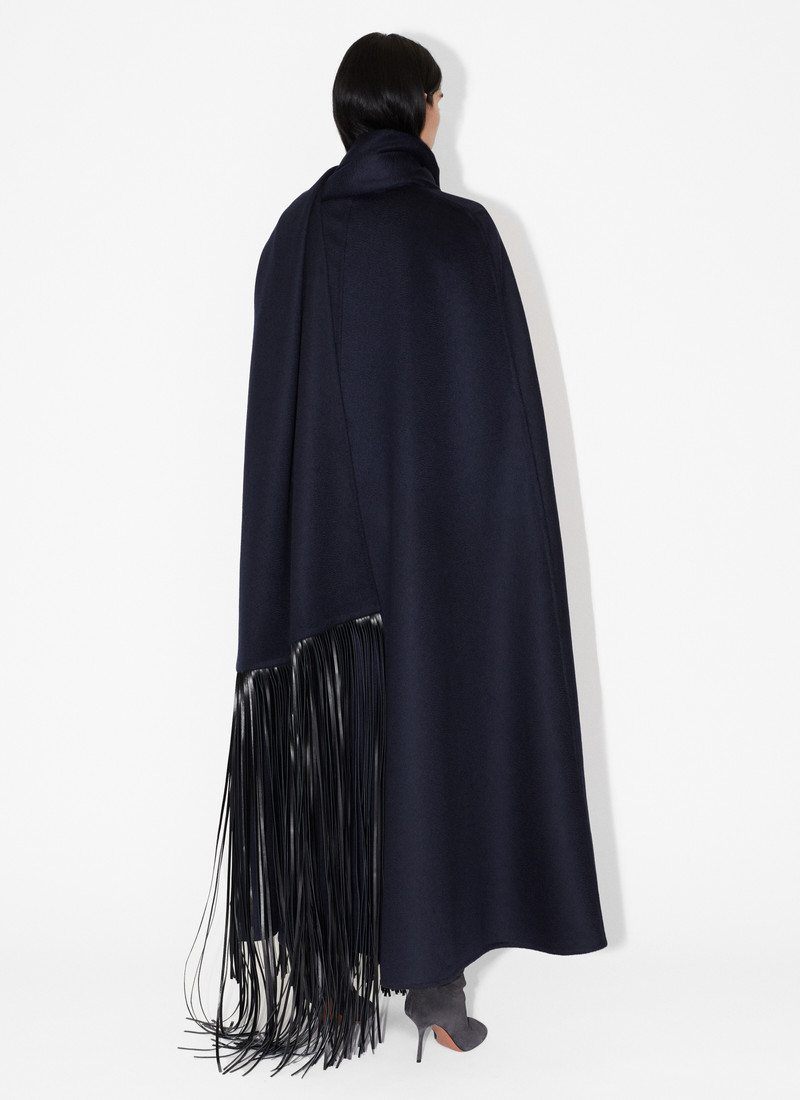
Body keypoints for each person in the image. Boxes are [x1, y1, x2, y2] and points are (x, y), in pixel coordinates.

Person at [182, 31, 607, 1078]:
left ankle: (349, 972)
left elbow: (276, 427)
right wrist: (497, 553)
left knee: (340, 731)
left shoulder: (294, 235)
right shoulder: (461, 233)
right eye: (436, 97)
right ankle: (427, 981)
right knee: (433, 724)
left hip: (319, 549)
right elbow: (500, 427)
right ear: (420, 109)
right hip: (445, 545)